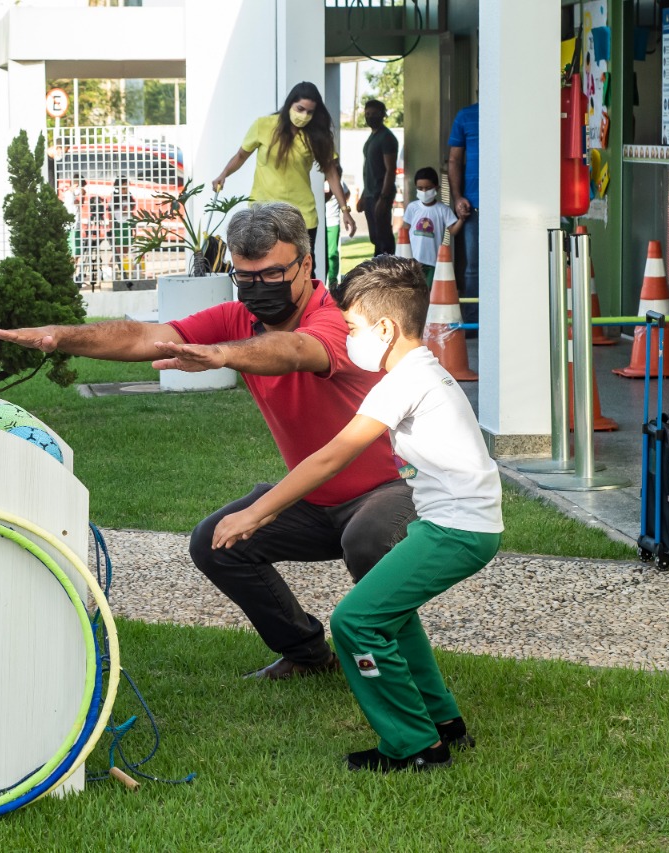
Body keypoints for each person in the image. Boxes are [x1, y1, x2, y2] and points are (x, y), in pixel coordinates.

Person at [0, 202, 415, 680]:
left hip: (390, 492)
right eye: (245, 277)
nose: (258, 289)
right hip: (311, 497)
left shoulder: (338, 321)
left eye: (272, 275)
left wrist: (221, 354)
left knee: (367, 539)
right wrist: (60, 336)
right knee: (214, 543)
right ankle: (308, 656)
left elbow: (295, 350)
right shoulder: (237, 320)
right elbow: (142, 337)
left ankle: (392, 669)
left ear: (306, 265)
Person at [211, 254, 502, 772]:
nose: (346, 338)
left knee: (355, 623)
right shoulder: (421, 368)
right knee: (391, 616)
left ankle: (414, 747)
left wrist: (255, 513)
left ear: (385, 328)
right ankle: (443, 723)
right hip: (456, 524)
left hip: (457, 530)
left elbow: (328, 457)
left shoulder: (403, 381)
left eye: (352, 327)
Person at [211, 81, 357, 278]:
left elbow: (331, 174)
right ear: (290, 104)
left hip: (302, 214)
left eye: (309, 112)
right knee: (261, 266)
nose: (304, 116)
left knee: (304, 270)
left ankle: (308, 310)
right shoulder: (263, 125)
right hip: (263, 212)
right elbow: (240, 156)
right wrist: (223, 175)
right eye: (300, 109)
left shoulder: (315, 135)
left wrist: (345, 210)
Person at [447, 102, 480, 334]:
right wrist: (458, 197)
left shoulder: (514, 107)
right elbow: (454, 160)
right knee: (473, 268)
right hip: (474, 206)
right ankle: (472, 325)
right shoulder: (465, 115)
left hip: (508, 206)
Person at [401, 167, 463, 284]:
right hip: (413, 260)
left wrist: (462, 219)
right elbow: (405, 230)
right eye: (420, 188)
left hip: (433, 261)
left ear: (437, 188)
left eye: (428, 188)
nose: (424, 191)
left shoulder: (443, 210)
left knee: (429, 292)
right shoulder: (412, 207)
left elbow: (453, 231)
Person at [358, 99, 399, 256]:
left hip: (380, 193)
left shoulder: (387, 138)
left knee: (383, 237)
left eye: (374, 114)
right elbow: (369, 170)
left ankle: (388, 270)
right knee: (375, 236)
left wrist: (383, 197)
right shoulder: (372, 138)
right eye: (367, 114)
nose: (370, 117)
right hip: (370, 193)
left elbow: (390, 169)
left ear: (383, 115)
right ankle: (378, 267)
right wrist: (363, 195)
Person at [323, 165, 350, 289]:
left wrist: (343, 206)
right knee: (322, 253)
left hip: (332, 221)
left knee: (332, 253)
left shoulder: (339, 184)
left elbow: (347, 192)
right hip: (321, 221)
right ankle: (322, 280)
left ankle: (333, 282)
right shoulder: (321, 182)